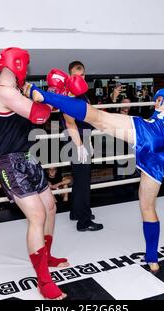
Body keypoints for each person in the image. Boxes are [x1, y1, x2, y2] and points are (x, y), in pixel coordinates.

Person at [24, 75, 164, 273]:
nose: (155, 103)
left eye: (156, 101)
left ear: (160, 100)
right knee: (147, 206)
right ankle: (152, 258)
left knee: (100, 119)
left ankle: (43, 94)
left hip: (155, 133)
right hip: (160, 158)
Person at [0, 47, 68, 300]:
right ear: (19, 64)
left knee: (50, 207)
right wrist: (51, 96)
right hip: (9, 161)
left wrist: (52, 96)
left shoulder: (17, 93)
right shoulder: (1, 92)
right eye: (26, 64)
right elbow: (40, 114)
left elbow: (41, 114)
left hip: (28, 156)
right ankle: (43, 281)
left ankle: (48, 256)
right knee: (37, 214)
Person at [60, 62, 103, 232]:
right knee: (84, 182)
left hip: (83, 138)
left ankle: (76, 212)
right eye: (77, 76)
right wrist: (80, 146)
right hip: (75, 140)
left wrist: (89, 141)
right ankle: (84, 221)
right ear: (70, 76)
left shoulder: (83, 94)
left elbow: (88, 119)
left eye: (83, 75)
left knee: (79, 179)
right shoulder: (68, 96)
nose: (81, 78)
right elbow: (70, 124)